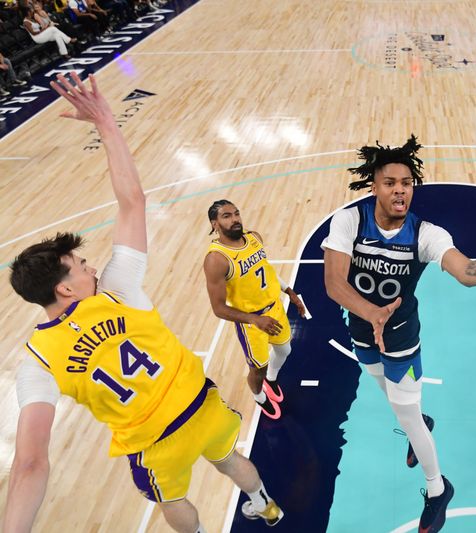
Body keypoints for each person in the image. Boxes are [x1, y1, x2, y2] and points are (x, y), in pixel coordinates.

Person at [3, 73, 283, 533]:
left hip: (156, 444)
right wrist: (106, 124)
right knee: (231, 460)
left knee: (173, 501)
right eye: (81, 265)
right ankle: (264, 503)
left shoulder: (37, 362)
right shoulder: (118, 287)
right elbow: (133, 201)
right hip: (201, 405)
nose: (93, 267)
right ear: (66, 289)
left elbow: (31, 464)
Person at [322, 135, 476, 533]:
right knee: (387, 393)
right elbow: (333, 283)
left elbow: (465, 271)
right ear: (374, 186)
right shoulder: (349, 221)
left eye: (407, 183)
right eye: (391, 182)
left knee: (406, 416)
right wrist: (371, 313)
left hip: (401, 338)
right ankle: (420, 419)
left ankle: (437, 488)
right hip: (363, 329)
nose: (400, 190)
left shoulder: (427, 233)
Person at [203, 200, 306, 420]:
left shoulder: (253, 238)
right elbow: (218, 309)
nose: (235, 219)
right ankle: (259, 397)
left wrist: (290, 292)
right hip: (252, 323)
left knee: (284, 350)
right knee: (257, 369)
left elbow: (266, 271)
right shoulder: (216, 259)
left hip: (275, 309)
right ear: (215, 224)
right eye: (226, 216)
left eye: (237, 213)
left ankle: (272, 379)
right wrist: (254, 320)